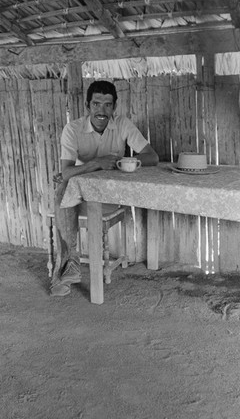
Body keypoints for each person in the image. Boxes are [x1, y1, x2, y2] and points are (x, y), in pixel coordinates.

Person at [51, 80, 159, 296]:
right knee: (62, 190)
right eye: (96, 104)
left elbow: (152, 157)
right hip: (78, 198)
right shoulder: (72, 130)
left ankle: (67, 266)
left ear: (114, 107)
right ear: (87, 105)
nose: (102, 110)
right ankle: (70, 261)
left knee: (62, 191)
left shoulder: (122, 124)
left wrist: (122, 160)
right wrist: (97, 163)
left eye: (107, 105)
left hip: (108, 198)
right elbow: (65, 173)